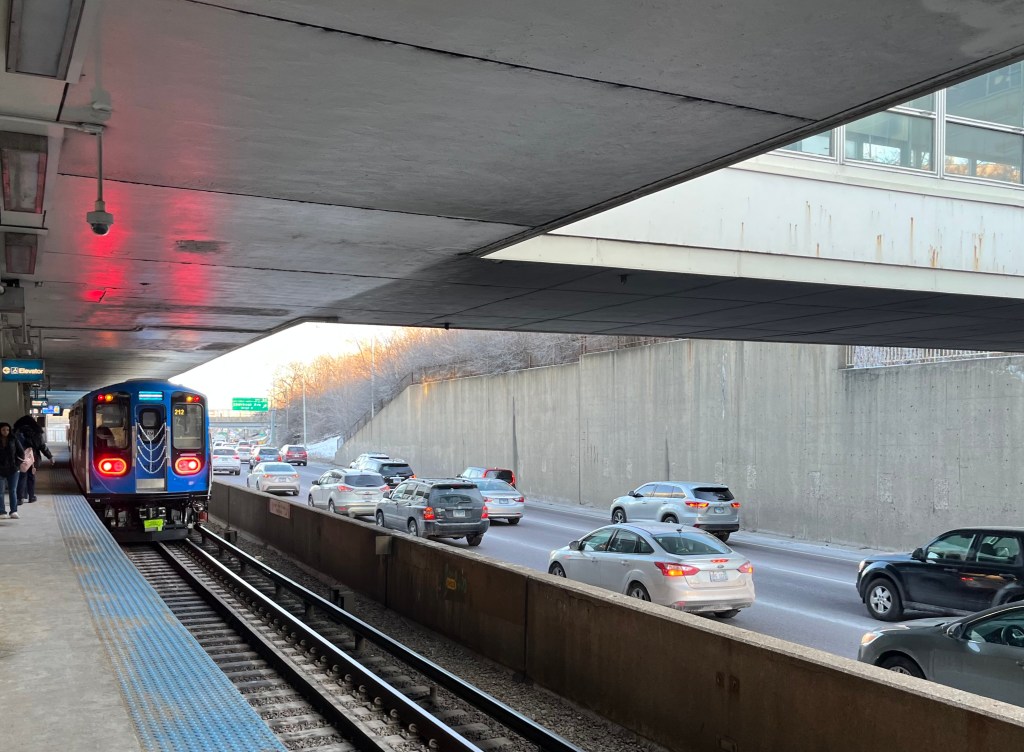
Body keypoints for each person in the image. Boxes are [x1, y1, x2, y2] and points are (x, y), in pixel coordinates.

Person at [14, 416, 52, 504]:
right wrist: (50, 456)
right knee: (31, 477)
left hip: (21, 458)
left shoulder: (17, 431)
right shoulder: (36, 432)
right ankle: (31, 497)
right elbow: (42, 446)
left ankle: (20, 498)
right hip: (33, 458)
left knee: (21, 477)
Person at [0, 422, 24, 519]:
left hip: (13, 469)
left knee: (12, 490)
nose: (6, 432)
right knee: (0, 492)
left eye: (7, 430)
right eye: (3, 430)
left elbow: (21, 453)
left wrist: (17, 464)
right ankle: (2, 511)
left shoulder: (14, 439)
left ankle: (13, 511)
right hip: (0, 470)